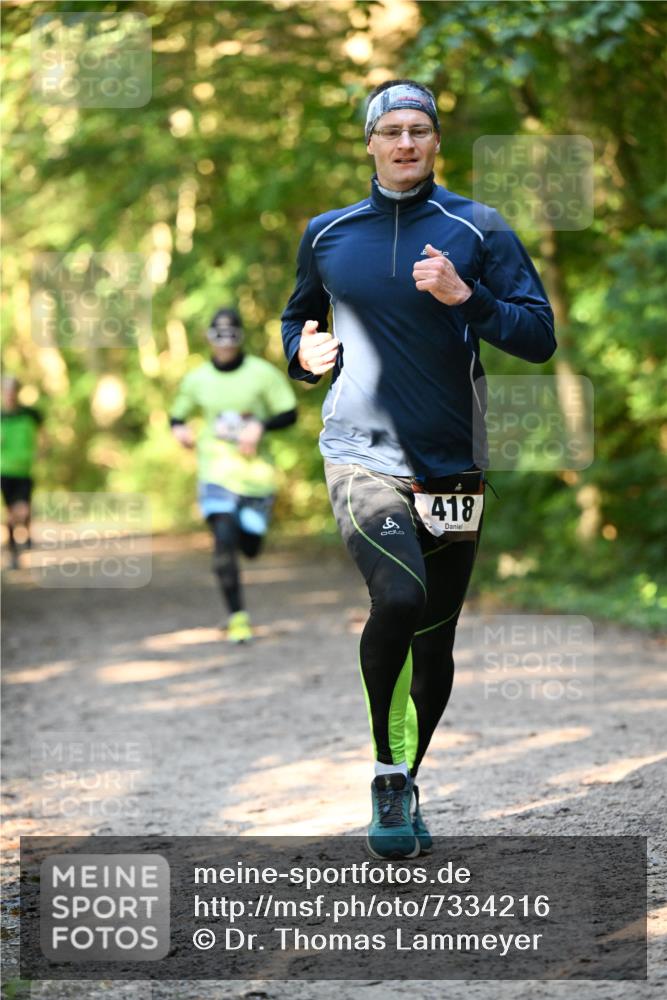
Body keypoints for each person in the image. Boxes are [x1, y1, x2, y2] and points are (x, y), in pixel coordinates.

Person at [281, 80, 556, 858]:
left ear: (436, 142)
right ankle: (382, 769)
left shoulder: (477, 227)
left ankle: (405, 774)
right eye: (390, 131)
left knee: (434, 641)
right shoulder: (327, 232)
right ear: (367, 143)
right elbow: (297, 313)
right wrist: (300, 355)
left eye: (419, 130)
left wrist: (466, 297)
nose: (404, 143)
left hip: (453, 467)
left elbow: (536, 336)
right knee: (397, 595)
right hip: (359, 452)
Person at [170, 308, 297, 643]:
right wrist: (179, 430)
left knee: (251, 547)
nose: (225, 344)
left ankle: (248, 536)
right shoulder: (196, 379)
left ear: (241, 338)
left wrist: (261, 425)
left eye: (232, 337)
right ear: (208, 339)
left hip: (256, 477)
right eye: (218, 337)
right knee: (223, 542)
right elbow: (177, 415)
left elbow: (290, 413)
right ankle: (237, 617)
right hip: (216, 472)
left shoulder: (263, 374)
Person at [1, 376, 43, 570]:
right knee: (10, 511)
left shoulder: (29, 415)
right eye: (5, 391)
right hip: (4, 470)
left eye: (12, 390)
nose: (9, 395)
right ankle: (12, 550)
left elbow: (43, 433)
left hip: (25, 469)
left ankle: (25, 532)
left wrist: (41, 450)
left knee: (23, 509)